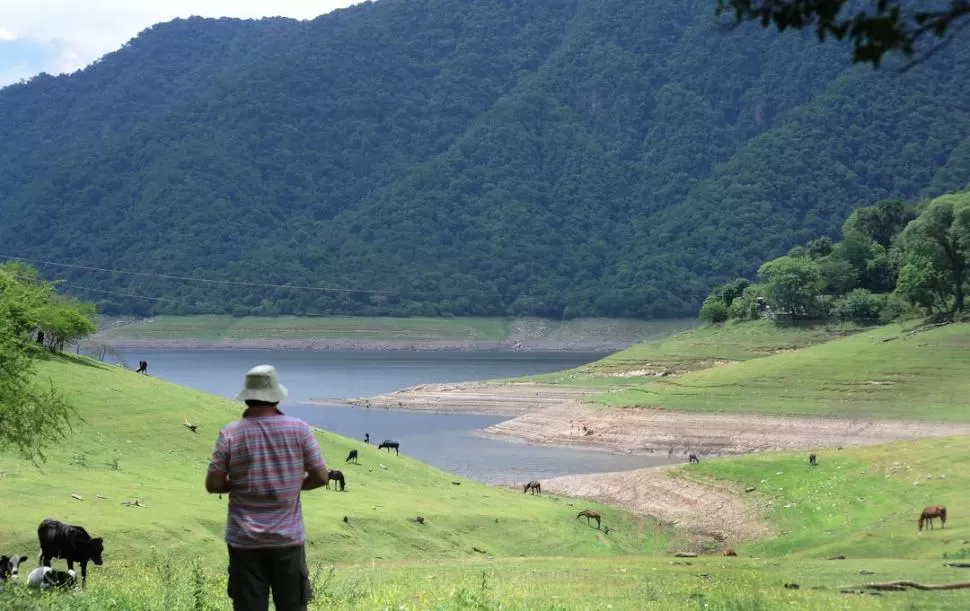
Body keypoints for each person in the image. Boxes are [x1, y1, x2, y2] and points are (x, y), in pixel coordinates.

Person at [206, 364, 329, 611]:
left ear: (247, 398)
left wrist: (239, 484)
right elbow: (321, 476)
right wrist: (294, 486)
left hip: (244, 540)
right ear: (276, 397)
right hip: (288, 539)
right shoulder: (299, 429)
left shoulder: (230, 433)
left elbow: (214, 484)